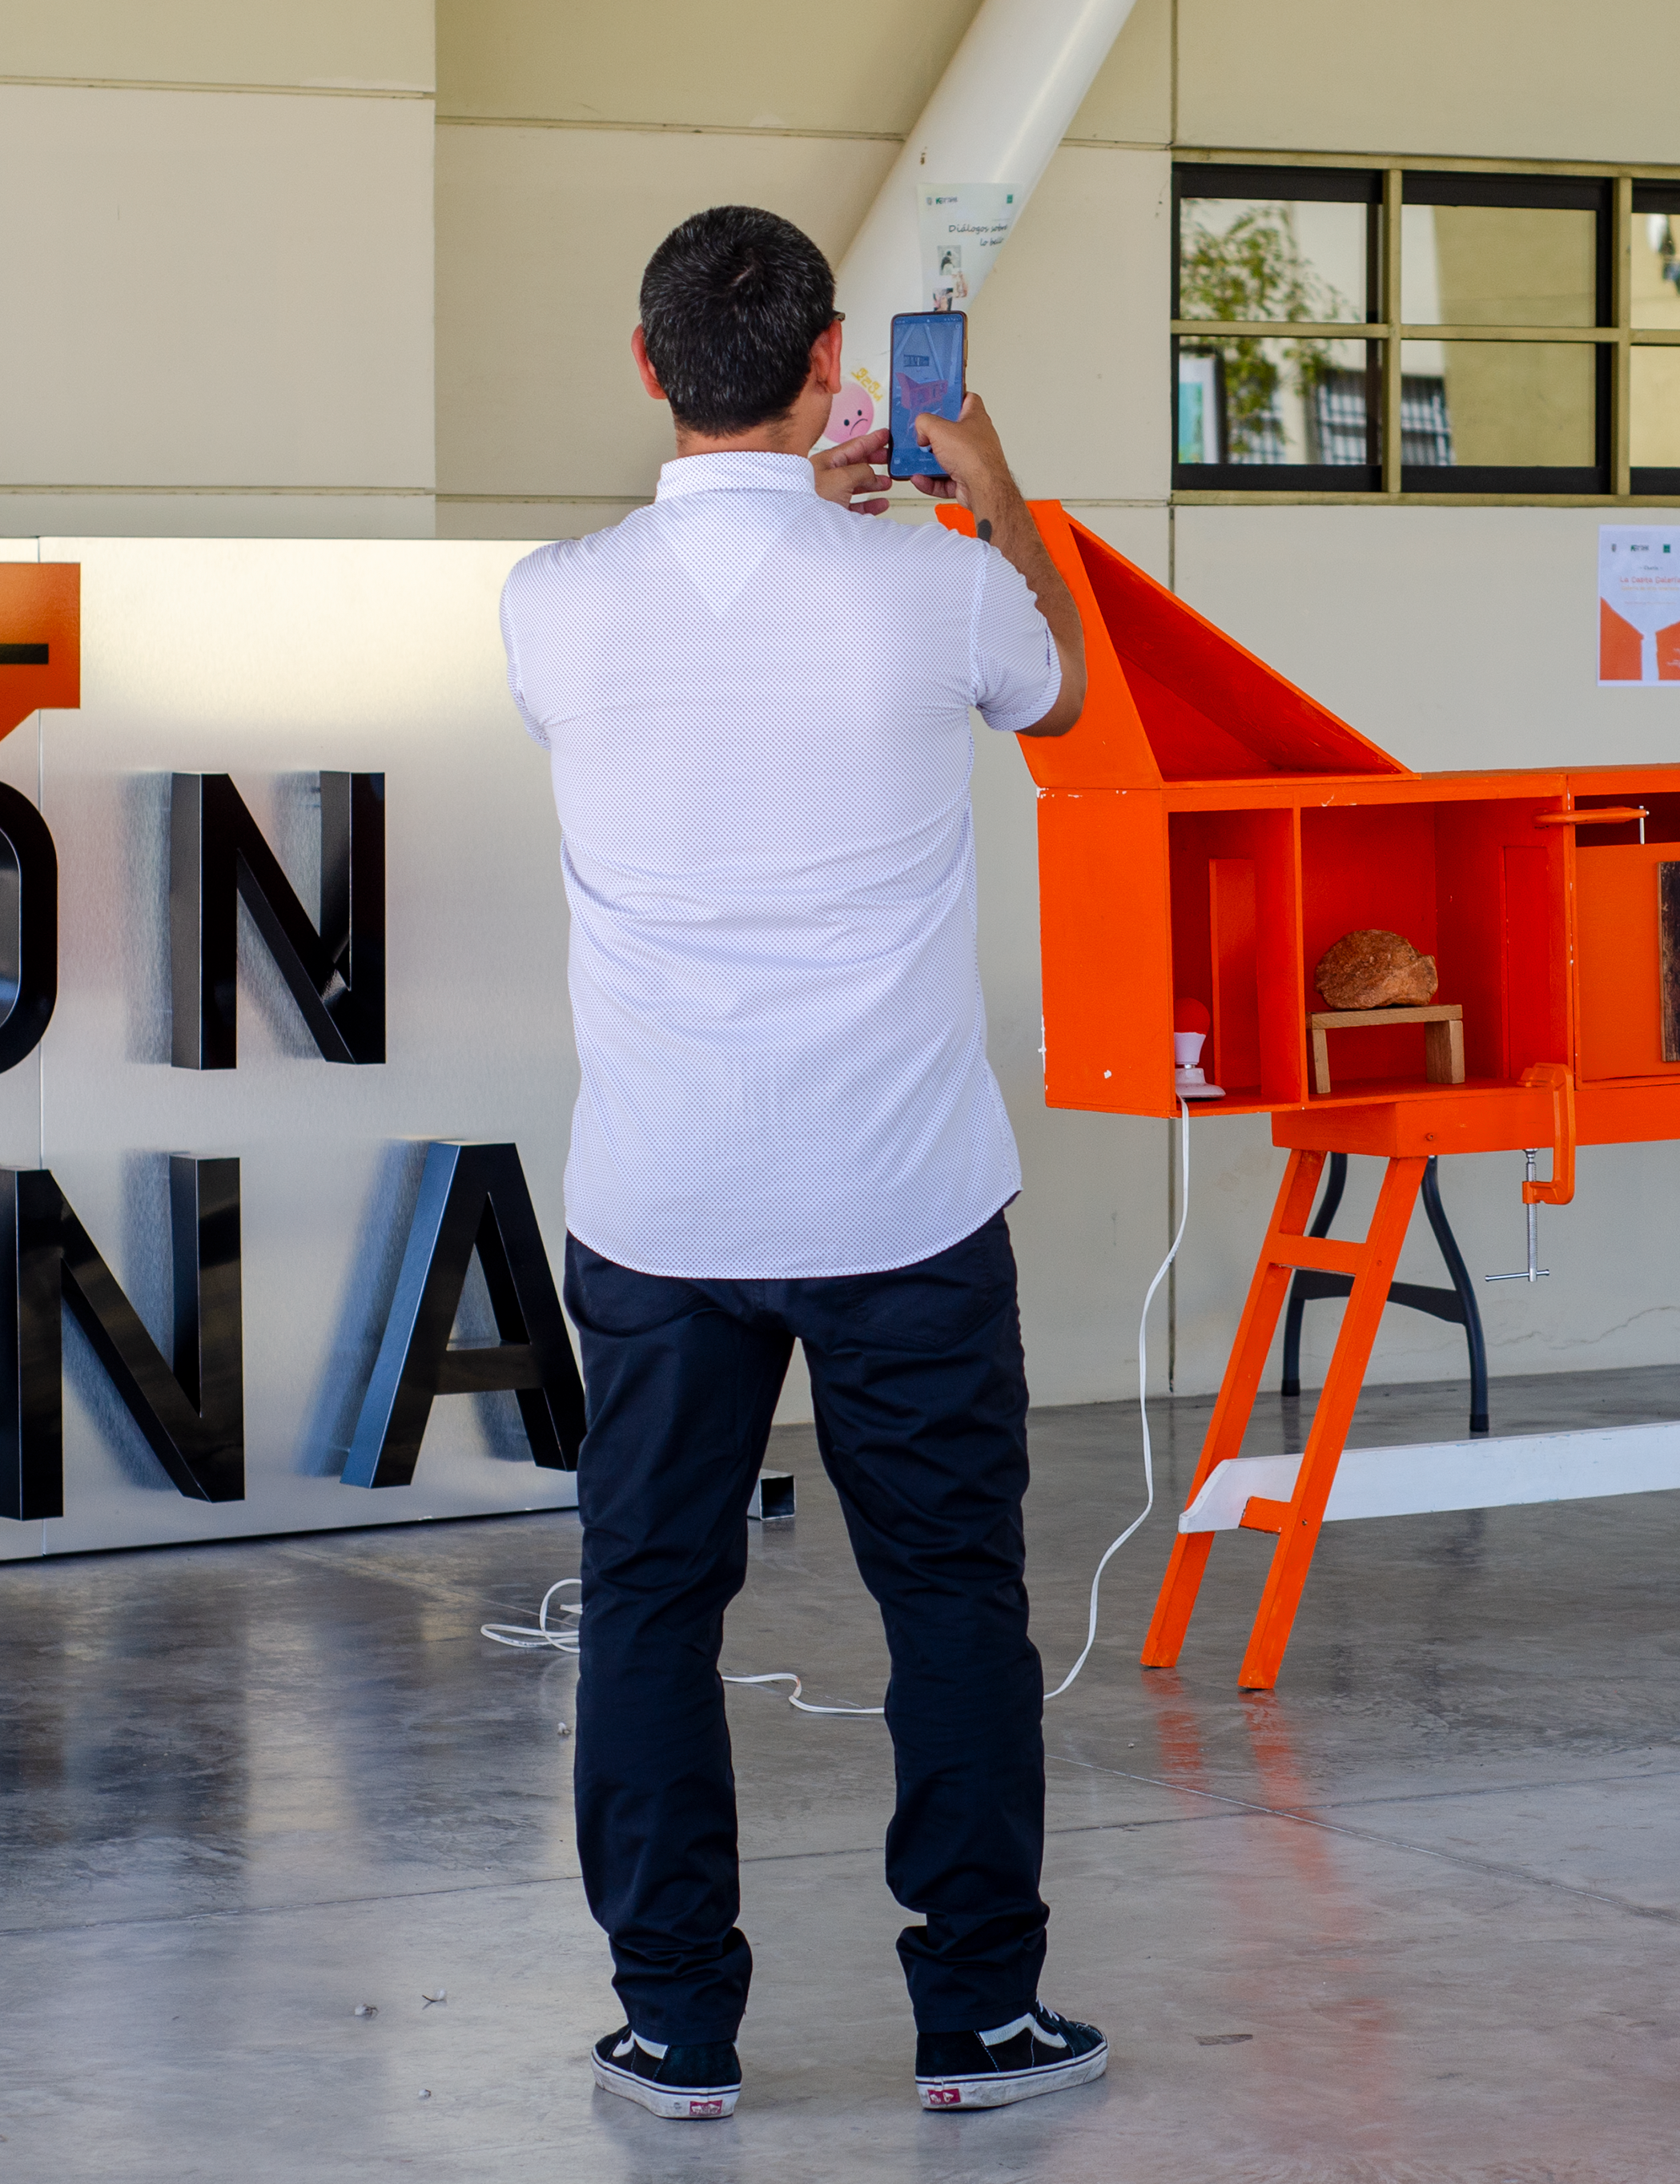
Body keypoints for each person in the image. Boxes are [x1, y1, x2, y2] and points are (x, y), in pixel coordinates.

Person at [496, 204, 1102, 2122]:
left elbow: (713, 654)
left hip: (662, 1205)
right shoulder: (940, 587)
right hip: (901, 1198)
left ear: (649, 367)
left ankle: (676, 2027)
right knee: (952, 1600)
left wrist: (810, 522)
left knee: (651, 1603)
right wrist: (982, 485)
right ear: (842, 368)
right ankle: (977, 2022)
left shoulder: (550, 603)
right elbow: (1068, 692)